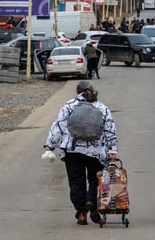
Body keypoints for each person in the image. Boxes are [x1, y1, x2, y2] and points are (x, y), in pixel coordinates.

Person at [43, 81, 118, 225]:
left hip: (73, 151)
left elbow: (58, 126)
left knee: (76, 181)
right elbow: (110, 130)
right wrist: (112, 150)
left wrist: (50, 146)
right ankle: (92, 201)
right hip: (95, 152)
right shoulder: (102, 108)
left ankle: (81, 212)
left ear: (77, 92)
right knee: (96, 180)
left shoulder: (69, 106)